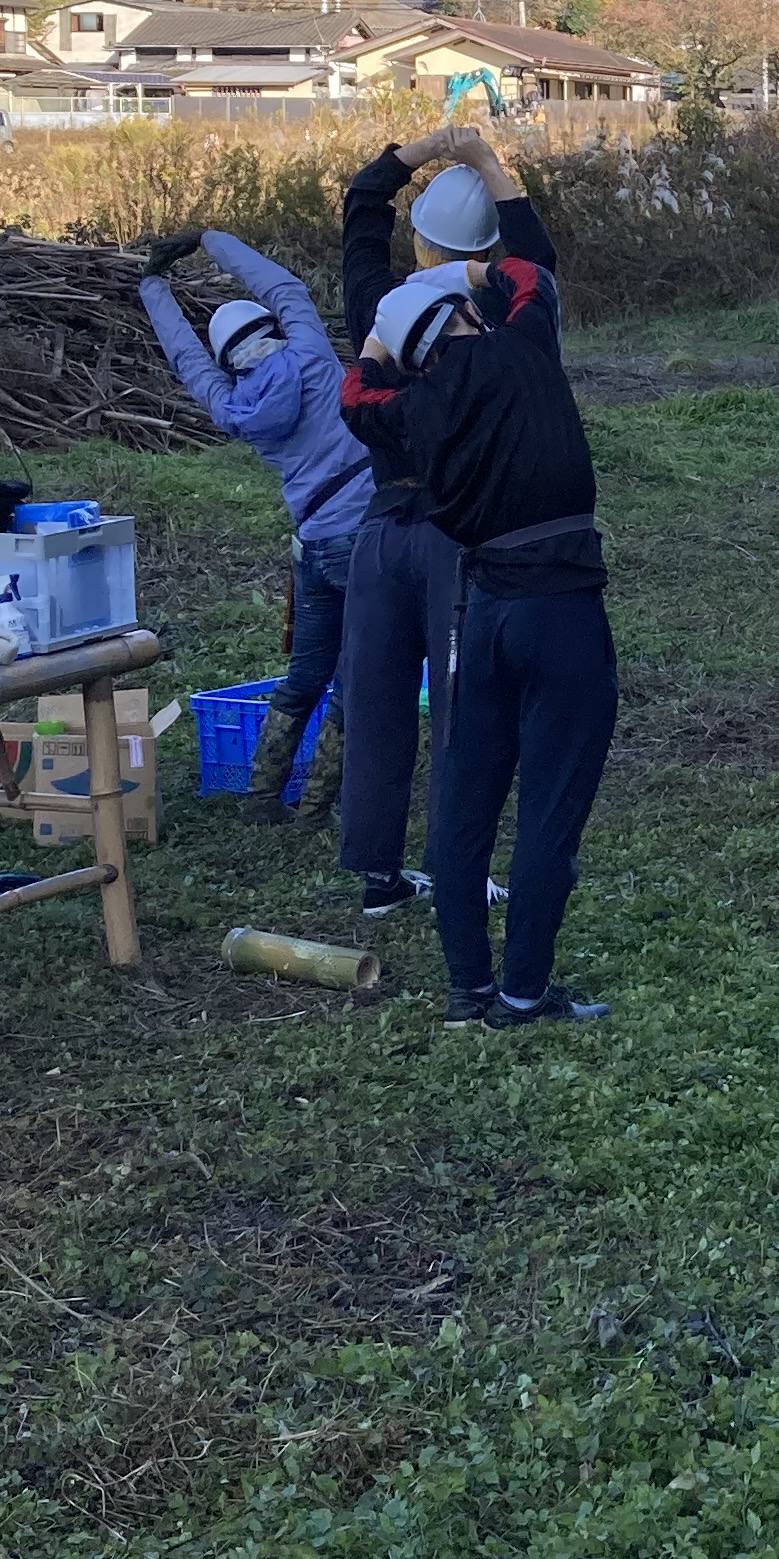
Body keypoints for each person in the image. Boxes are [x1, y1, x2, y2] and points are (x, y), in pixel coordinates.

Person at [339, 166, 616, 1027]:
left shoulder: (410, 410)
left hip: (481, 612)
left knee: (465, 802)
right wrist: (470, 273)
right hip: (561, 605)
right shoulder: (524, 343)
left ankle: (468, 991)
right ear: (467, 313)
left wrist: (386, 345)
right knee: (549, 808)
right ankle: (525, 991)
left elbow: (357, 391)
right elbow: (532, 276)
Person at [329, 126, 532, 914]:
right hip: (456, 532)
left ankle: (379, 877)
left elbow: (360, 209)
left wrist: (417, 153)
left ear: (418, 238)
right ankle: (458, 866)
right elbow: (533, 265)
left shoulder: (379, 308)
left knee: (377, 700)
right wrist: (492, 168)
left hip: (379, 533)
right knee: (461, 708)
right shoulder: (491, 324)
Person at [141, 226, 374, 820]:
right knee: (358, 673)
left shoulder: (230, 405)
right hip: (362, 535)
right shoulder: (314, 358)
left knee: (305, 673)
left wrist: (152, 286)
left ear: (228, 362)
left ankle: (262, 795)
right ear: (269, 328)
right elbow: (284, 286)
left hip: (313, 543)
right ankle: (320, 805)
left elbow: (185, 358)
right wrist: (210, 239)